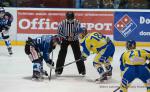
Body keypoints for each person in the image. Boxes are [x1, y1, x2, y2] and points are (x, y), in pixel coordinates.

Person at [55, 11, 86, 75]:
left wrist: (73, 36)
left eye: (71, 19)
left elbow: (79, 31)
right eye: (69, 19)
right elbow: (59, 32)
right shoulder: (62, 23)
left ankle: (82, 70)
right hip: (65, 40)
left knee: (78, 54)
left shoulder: (77, 22)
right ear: (66, 18)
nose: (70, 20)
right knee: (62, 54)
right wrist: (66, 37)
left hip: (74, 40)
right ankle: (58, 70)